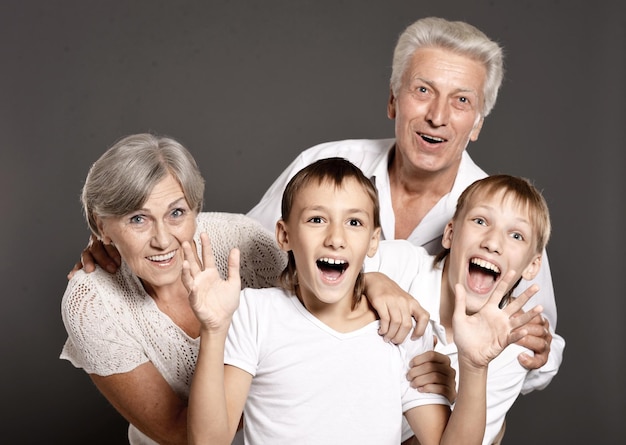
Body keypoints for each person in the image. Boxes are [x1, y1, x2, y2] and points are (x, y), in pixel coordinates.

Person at [244, 16, 564, 404]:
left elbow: (532, 348)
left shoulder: (501, 218)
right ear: (393, 99)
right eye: (423, 90)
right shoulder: (324, 166)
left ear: (477, 123)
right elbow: (250, 262)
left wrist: (537, 352)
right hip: (297, 395)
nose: (438, 115)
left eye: (462, 100)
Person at [182, 158, 543, 445]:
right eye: (317, 219)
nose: (336, 238)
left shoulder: (404, 329)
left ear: (373, 242)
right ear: (285, 234)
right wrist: (213, 330)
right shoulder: (254, 313)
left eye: (353, 223)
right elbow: (207, 441)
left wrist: (474, 367)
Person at [59, 133, 289, 445]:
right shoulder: (92, 303)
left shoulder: (244, 242)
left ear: (195, 209)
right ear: (102, 227)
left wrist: (371, 281)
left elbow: (325, 314)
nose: (163, 239)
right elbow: (182, 436)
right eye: (138, 219)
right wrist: (292, 395)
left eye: (177, 213)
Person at [365, 174, 552, 444]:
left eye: (516, 235)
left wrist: (460, 389)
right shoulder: (398, 263)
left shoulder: (514, 350)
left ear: (533, 266)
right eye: (480, 221)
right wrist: (370, 282)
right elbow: (308, 285)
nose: (493, 243)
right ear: (450, 233)